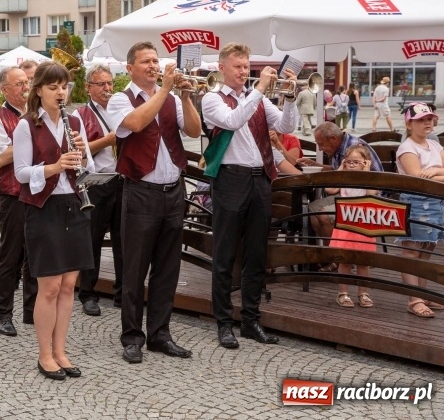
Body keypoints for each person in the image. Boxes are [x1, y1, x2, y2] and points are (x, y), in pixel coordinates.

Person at [108, 41, 201, 364]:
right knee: (134, 270)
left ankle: (160, 334)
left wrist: (186, 96)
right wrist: (164, 90)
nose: (152, 65)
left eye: (155, 60)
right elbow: (134, 124)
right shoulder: (120, 99)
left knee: (167, 268)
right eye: (146, 61)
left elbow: (194, 129)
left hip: (173, 191)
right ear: (130, 68)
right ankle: (132, 336)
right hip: (140, 192)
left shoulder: (173, 98)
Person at [201, 42, 298, 349]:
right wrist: (260, 90)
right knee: (225, 253)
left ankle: (251, 320)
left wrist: (290, 98)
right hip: (230, 178)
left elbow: (286, 125)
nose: (244, 72)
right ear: (222, 68)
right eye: (238, 67)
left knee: (257, 253)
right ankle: (224, 322)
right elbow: (232, 120)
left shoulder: (254, 99)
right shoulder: (211, 98)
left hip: (259, 180)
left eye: (246, 67)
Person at [13, 61, 95, 380]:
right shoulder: (26, 125)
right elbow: (20, 173)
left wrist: (81, 162)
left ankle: (61, 351)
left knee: (68, 285)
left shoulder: (72, 121)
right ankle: (44, 354)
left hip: (73, 204)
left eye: (64, 87)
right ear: (39, 91)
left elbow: (82, 163)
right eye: (53, 87)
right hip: (42, 206)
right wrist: (53, 166)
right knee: (48, 287)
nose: (60, 92)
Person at [0, 66, 37, 336]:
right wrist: (35, 140)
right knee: (10, 257)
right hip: (12, 196)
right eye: (19, 84)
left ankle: (32, 311)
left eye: (27, 82)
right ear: (4, 89)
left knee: (35, 256)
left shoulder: (35, 114)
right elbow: (1, 158)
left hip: (37, 192)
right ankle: (3, 314)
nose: (25, 87)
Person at [73, 63, 123, 317]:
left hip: (122, 180)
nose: (107, 88)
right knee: (90, 239)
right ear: (88, 87)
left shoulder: (119, 108)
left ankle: (122, 292)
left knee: (123, 239)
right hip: (97, 182)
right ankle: (87, 294)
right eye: (101, 84)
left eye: (110, 83)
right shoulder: (80, 114)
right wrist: (107, 141)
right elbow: (78, 151)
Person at [395, 103, 444, 318]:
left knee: (426, 251)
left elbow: (437, 173)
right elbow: (416, 177)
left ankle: (422, 294)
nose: (428, 122)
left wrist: (433, 171)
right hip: (417, 203)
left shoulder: (434, 146)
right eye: (421, 120)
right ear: (409, 124)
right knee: (411, 251)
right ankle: (413, 299)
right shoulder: (407, 148)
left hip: (436, 203)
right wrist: (439, 175)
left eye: (429, 119)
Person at [299, 122, 383, 245]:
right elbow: (336, 172)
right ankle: (333, 251)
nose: (320, 149)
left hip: (368, 197)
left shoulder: (353, 149)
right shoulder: (340, 147)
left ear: (333, 138)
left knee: (323, 214)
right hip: (347, 193)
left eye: (321, 144)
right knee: (312, 209)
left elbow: (369, 183)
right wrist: (316, 165)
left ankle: (339, 254)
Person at [322, 144, 378, 309]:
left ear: (365, 163)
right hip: (345, 223)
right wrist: (340, 168)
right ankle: (343, 292)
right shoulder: (343, 178)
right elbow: (330, 189)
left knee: (363, 261)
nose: (352, 165)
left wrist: (367, 173)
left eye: (357, 162)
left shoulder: (370, 178)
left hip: (363, 222)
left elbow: (371, 193)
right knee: (344, 260)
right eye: (349, 162)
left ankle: (363, 292)